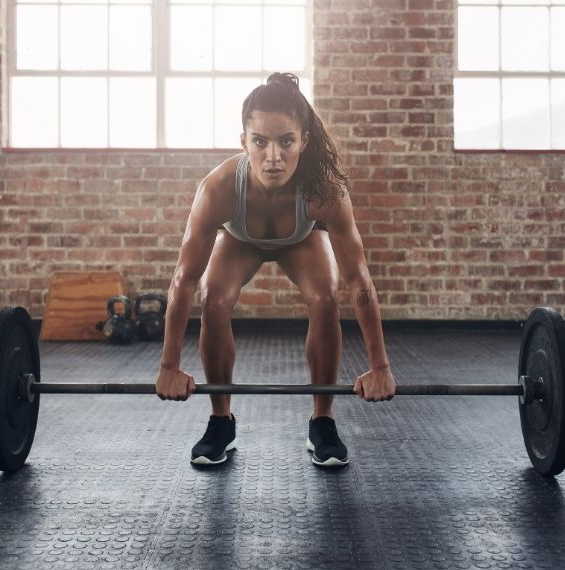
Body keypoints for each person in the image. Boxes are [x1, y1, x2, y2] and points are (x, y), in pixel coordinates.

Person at [154, 72, 396, 467]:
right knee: (213, 298)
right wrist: (168, 366)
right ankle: (220, 422)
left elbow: (359, 281)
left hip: (301, 240)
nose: (273, 156)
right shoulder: (217, 190)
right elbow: (184, 280)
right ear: (243, 142)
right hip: (240, 241)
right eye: (260, 142)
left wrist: (380, 367)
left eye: (286, 142)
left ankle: (322, 421)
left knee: (324, 296)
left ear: (303, 140)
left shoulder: (325, 192)